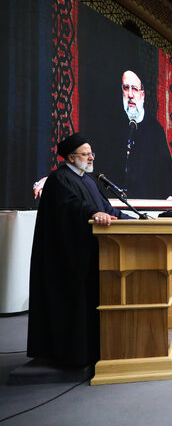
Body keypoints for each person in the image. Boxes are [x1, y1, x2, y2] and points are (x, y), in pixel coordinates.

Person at [27, 133, 134, 368]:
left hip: (94, 253)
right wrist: (91, 214)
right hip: (69, 257)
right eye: (85, 154)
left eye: (91, 153)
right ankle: (72, 355)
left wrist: (137, 220)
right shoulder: (59, 179)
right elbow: (71, 207)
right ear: (71, 157)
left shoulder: (89, 180)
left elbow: (107, 208)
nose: (90, 157)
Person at [89, 70, 172, 199]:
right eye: (126, 88)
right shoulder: (110, 126)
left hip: (146, 204)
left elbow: (165, 175)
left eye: (134, 89)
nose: (130, 94)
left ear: (142, 94)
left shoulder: (155, 130)